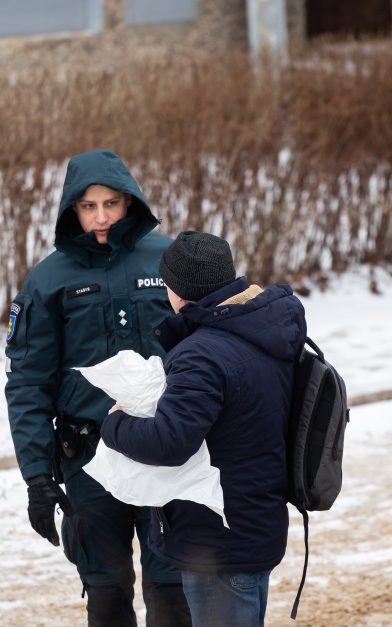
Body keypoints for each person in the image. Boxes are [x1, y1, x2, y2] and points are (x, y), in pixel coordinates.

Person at [5, 149, 192, 626]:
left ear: (130, 202)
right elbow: (27, 383)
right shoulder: (49, 280)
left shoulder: (171, 260)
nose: (102, 217)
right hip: (90, 460)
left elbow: (211, 353)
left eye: (111, 203)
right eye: (89, 207)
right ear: (73, 210)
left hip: (167, 451)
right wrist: (37, 477)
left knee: (172, 591)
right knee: (107, 595)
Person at [101, 231, 307, 627]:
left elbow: (168, 443)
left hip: (218, 541)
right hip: (254, 522)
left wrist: (115, 424)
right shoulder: (261, 328)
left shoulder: (203, 353)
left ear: (176, 290)